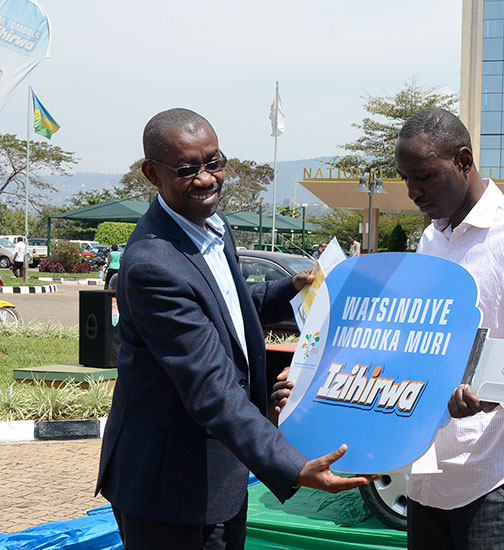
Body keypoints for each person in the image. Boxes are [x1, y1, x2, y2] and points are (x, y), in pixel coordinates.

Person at [96, 108, 374, 550]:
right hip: (168, 489)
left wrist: (291, 287)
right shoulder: (153, 265)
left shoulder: (212, 227)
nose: (207, 179)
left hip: (222, 475)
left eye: (215, 162)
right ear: (152, 173)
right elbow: (211, 386)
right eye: (188, 169)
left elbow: (227, 306)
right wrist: (291, 465)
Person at [394, 108, 504, 549]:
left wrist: (488, 394)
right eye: (405, 179)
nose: (413, 192)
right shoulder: (431, 238)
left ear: (463, 160)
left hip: (496, 480)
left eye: (424, 177)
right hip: (428, 475)